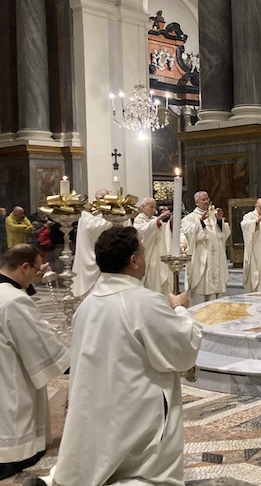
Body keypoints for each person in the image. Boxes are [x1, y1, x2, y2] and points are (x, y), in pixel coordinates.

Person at [50, 226, 201, 486]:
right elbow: (183, 351)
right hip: (136, 407)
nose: (145, 258)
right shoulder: (144, 302)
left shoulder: (87, 304)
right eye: (143, 252)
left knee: (104, 461)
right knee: (143, 471)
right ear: (133, 261)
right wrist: (180, 310)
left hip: (96, 403)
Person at [0, 245, 68, 481]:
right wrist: (69, 363)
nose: (38, 277)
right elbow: (37, 344)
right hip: (8, 376)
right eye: (37, 271)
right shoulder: (13, 301)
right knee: (11, 412)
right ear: (25, 267)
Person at [181, 191, 231, 304]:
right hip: (201, 259)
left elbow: (225, 234)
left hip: (216, 260)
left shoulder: (214, 215)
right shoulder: (189, 218)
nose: (206, 202)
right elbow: (190, 234)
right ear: (196, 202)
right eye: (203, 200)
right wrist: (201, 223)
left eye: (207, 199)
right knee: (201, 291)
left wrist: (219, 220)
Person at [71, 190, 113, 297]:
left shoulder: (108, 213)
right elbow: (95, 228)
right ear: (97, 199)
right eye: (103, 198)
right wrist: (114, 219)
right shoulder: (87, 213)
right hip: (89, 254)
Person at [133, 197, 173, 295]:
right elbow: (141, 233)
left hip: (160, 254)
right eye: (151, 207)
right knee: (152, 282)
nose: (154, 210)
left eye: (155, 207)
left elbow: (165, 232)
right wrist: (158, 220)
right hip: (149, 257)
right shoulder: (139, 220)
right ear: (142, 207)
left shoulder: (154, 219)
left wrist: (171, 223)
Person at [240, 197, 261, 292]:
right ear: (256, 206)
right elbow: (244, 226)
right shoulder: (249, 216)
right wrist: (257, 222)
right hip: (255, 252)